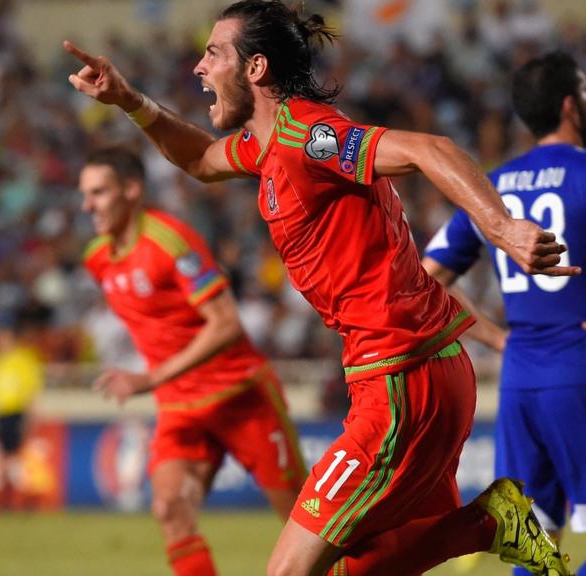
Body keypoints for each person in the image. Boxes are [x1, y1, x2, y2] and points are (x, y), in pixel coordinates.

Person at [63, 1, 578, 575]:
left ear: (255, 68)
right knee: (352, 569)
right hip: (406, 372)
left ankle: (488, 523)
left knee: (287, 572)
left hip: (402, 378)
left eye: (213, 53)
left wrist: (502, 226)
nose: (199, 68)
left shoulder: (309, 135)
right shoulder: (265, 146)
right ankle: (489, 522)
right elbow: (202, 161)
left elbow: (431, 149)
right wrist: (131, 102)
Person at [80, 146, 306, 576]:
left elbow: (226, 324)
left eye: (98, 193)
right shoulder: (97, 258)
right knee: (169, 509)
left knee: (305, 528)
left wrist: (151, 378)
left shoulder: (170, 242)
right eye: (85, 194)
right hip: (180, 409)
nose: (87, 205)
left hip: (241, 398)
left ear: (131, 190)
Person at [423, 51, 586, 576]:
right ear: (570, 105)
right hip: (578, 371)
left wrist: (497, 340)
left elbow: (428, 277)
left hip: (520, 377)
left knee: (534, 542)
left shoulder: (492, 188)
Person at [0, 302, 49, 511]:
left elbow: (31, 390)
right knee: (7, 457)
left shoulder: (24, 359)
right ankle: (10, 498)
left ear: (10, 337)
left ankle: (24, 497)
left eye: (1, 337)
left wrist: (30, 416)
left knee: (17, 457)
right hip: (2, 413)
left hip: (17, 412)